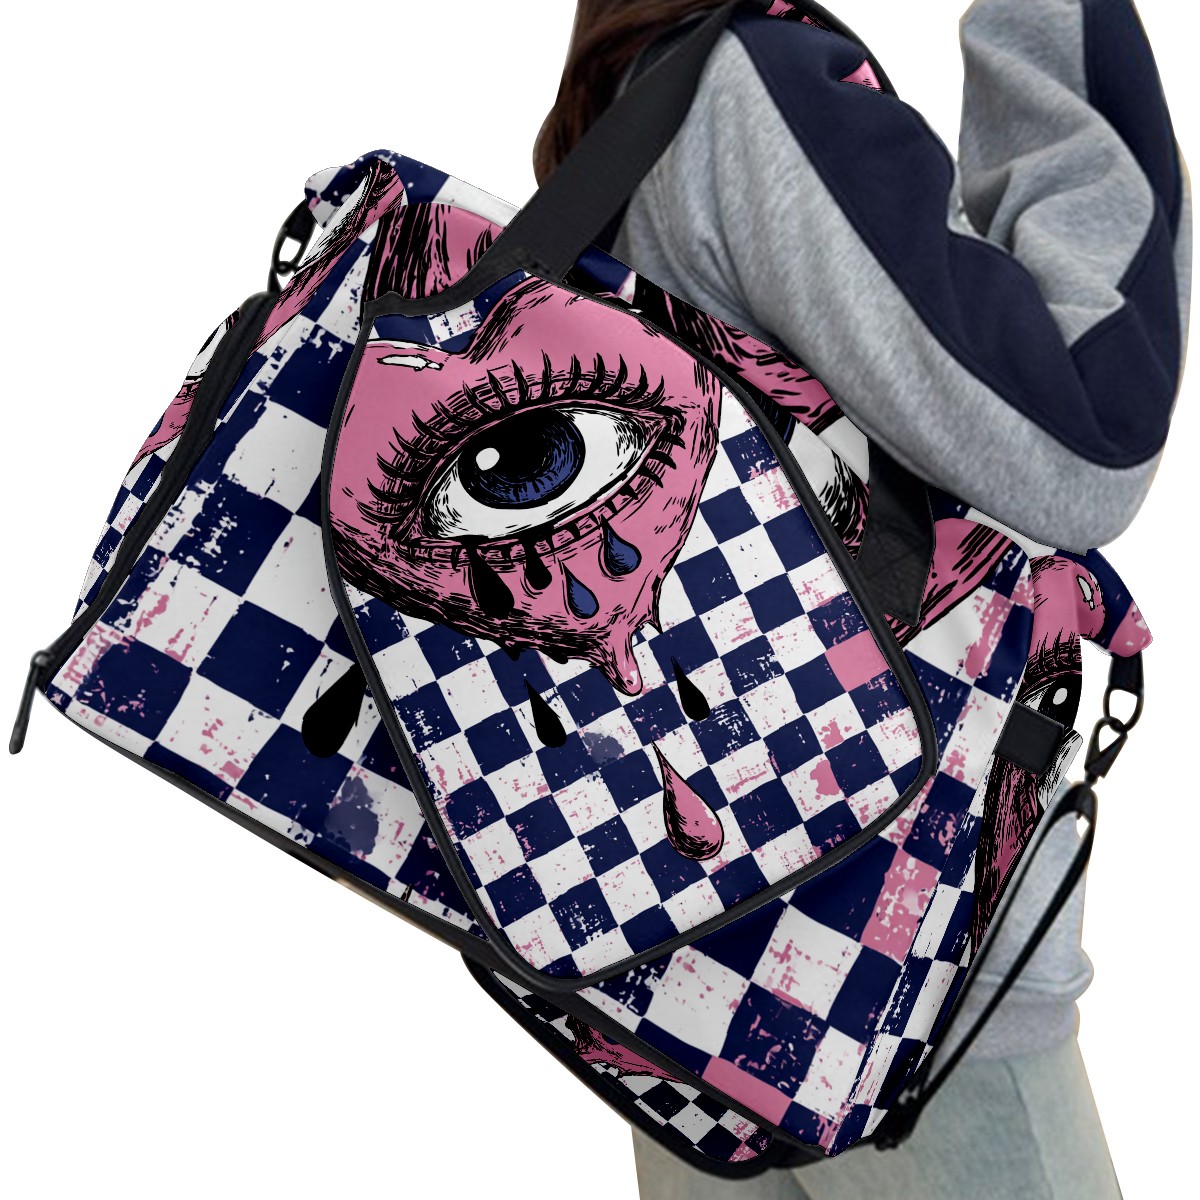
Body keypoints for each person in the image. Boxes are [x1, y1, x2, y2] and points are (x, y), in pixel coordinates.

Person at [533, 2, 1190, 1197]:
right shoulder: (758, 89)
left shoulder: (626, 121)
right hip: (897, 981)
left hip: (679, 964)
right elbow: (1086, 436)